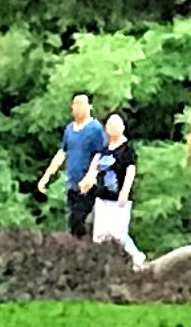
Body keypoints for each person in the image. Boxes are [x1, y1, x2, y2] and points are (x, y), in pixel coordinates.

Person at [34, 92, 106, 239]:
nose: (78, 107)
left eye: (82, 103)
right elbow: (62, 153)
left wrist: (90, 177)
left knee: (82, 222)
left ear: (89, 106)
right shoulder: (69, 129)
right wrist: (47, 176)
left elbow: (102, 154)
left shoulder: (95, 129)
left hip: (89, 186)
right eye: (75, 103)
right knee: (72, 222)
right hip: (71, 183)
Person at [90, 111, 140, 256]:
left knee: (119, 234)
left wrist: (125, 191)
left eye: (117, 123)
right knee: (100, 234)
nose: (113, 126)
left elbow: (131, 170)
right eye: (110, 123)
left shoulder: (127, 149)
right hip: (102, 197)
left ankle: (136, 258)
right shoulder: (103, 150)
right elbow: (95, 169)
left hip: (119, 198)